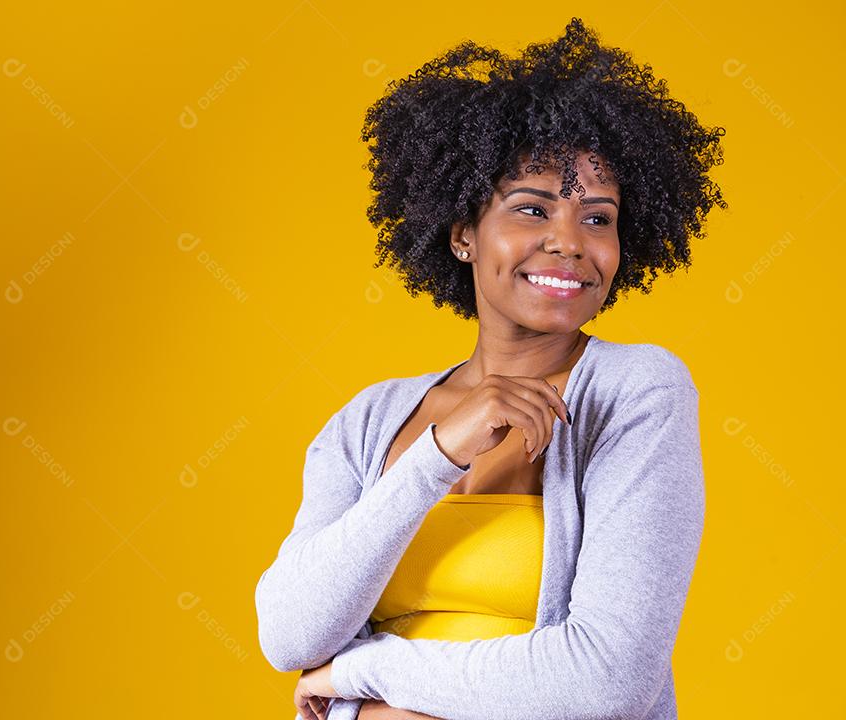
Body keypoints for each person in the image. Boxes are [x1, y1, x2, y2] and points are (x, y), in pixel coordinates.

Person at [255, 16, 726, 720]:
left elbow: (604, 681)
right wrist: (434, 457)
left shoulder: (637, 393)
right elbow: (291, 633)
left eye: (599, 219)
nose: (569, 242)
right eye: (532, 208)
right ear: (463, 234)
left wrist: (364, 674)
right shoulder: (368, 422)